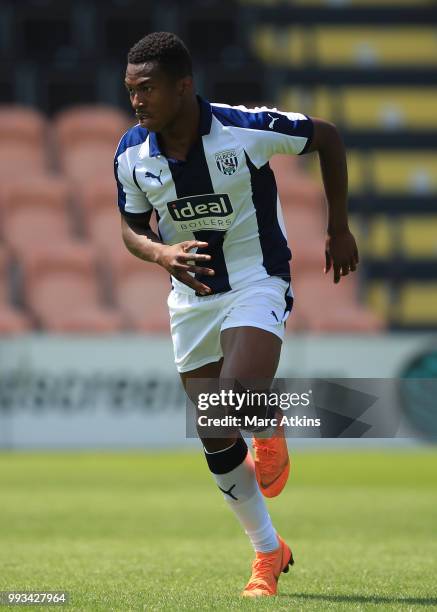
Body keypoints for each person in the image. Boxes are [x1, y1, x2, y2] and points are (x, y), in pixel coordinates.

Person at [114, 31, 359, 597]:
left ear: (183, 87)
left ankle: (268, 423)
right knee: (213, 432)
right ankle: (269, 552)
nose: (137, 101)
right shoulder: (131, 154)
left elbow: (328, 135)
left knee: (237, 395)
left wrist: (338, 226)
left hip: (255, 277)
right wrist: (159, 252)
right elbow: (129, 228)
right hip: (191, 298)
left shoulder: (242, 129)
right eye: (131, 91)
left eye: (147, 89)